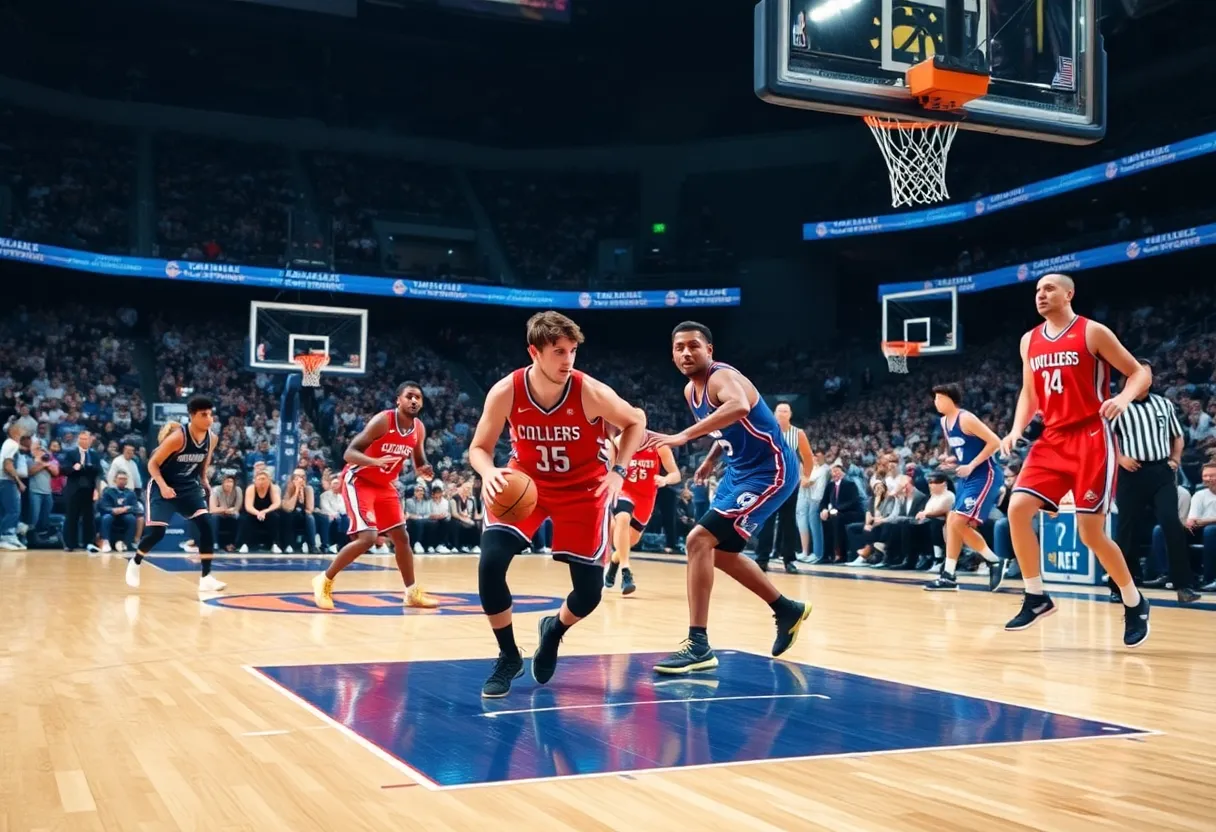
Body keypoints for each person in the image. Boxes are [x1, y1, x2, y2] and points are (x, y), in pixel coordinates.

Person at [470, 311, 647, 698]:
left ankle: (554, 630)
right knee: (490, 564)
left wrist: (618, 470)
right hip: (526, 486)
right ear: (534, 352)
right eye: (558, 352)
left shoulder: (589, 391)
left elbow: (637, 421)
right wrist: (487, 473)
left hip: (584, 491)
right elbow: (479, 448)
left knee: (589, 595)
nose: (568, 360)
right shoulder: (506, 391)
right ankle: (507, 656)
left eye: (572, 351)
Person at [999, 273, 1152, 645]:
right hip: (1051, 438)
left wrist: (1123, 398)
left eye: (1049, 288)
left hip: (1091, 436)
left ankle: (1134, 602)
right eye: (1037, 290)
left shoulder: (1092, 332)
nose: (1041, 295)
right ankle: (1036, 595)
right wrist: (1016, 428)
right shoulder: (1028, 341)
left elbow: (1139, 372)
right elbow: (1029, 392)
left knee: (1091, 534)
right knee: (1016, 508)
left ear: (1069, 293)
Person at [650, 322, 810, 674]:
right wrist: (709, 460)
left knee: (698, 539)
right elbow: (723, 427)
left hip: (772, 469)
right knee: (720, 552)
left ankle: (698, 644)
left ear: (710, 350)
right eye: (679, 347)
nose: (686, 353)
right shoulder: (690, 391)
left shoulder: (722, 378)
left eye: (694, 346)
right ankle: (787, 609)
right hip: (739, 470)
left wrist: (682, 437)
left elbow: (736, 406)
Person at [312, 382, 437, 611]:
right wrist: (374, 462)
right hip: (359, 480)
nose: (414, 401)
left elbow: (419, 460)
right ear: (398, 400)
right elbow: (350, 452)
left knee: (401, 537)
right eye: (409, 396)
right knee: (368, 538)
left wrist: (425, 468)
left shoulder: (418, 428)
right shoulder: (383, 420)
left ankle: (411, 592)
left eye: (418, 398)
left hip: (384, 484)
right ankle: (324, 580)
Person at [125, 396, 225, 593]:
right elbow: (152, 464)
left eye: (210, 414)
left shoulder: (212, 438)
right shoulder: (178, 437)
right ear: (192, 416)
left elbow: (204, 460)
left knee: (206, 524)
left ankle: (206, 577)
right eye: (204, 415)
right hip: (163, 484)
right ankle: (136, 561)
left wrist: (204, 479)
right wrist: (162, 486)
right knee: (157, 533)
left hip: (188, 485)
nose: (209, 419)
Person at [924, 382, 1006, 591]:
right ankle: (948, 575)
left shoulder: (966, 418)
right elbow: (965, 449)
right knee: (952, 521)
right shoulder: (944, 422)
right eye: (935, 398)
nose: (936, 402)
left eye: (939, 398)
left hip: (985, 473)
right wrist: (953, 460)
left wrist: (970, 465)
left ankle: (994, 560)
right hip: (967, 476)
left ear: (951, 399)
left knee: (959, 521)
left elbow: (995, 442)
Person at [604, 409, 682, 595]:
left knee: (629, 542)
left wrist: (665, 480)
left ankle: (615, 563)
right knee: (622, 518)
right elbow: (612, 470)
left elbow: (676, 474)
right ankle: (626, 571)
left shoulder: (658, 445)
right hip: (624, 491)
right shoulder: (617, 442)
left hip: (646, 498)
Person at [753, 402, 813, 573]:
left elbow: (807, 456)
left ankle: (789, 560)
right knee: (766, 520)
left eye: (785, 411)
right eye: (779, 410)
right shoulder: (766, 431)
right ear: (774, 413)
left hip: (789, 483)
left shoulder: (798, 433)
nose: (782, 413)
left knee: (788, 521)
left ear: (790, 414)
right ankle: (762, 559)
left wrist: (806, 476)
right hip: (770, 482)